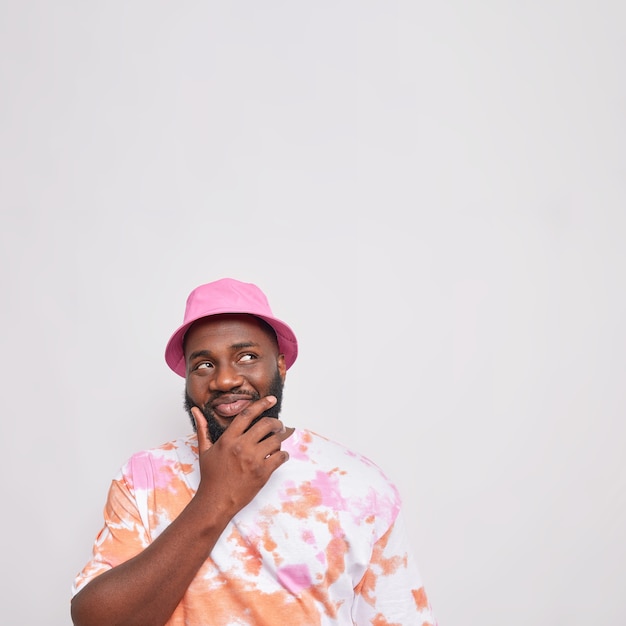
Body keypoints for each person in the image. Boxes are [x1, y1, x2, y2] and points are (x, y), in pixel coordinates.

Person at [71, 277, 437, 626]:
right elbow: (96, 620)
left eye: (246, 356)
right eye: (204, 364)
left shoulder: (359, 485)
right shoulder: (144, 478)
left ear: (279, 365)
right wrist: (216, 498)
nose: (225, 379)